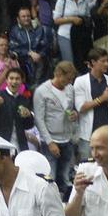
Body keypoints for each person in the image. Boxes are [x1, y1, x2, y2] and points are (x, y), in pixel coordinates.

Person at [33, 61, 78, 196]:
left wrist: (74, 114)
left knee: (65, 175)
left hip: (67, 138)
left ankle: (65, 203)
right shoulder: (42, 91)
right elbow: (39, 119)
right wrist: (49, 142)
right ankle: (48, 200)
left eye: (71, 79)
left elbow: (71, 109)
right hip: (51, 139)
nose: (69, 82)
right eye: (67, 78)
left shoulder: (70, 89)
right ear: (58, 73)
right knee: (50, 174)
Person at [74, 48, 108, 161]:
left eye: (107, 61)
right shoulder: (81, 81)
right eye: (103, 61)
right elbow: (81, 107)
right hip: (88, 135)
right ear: (93, 62)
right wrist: (102, 98)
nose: (107, 64)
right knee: (87, 169)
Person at [0, 67, 34, 152]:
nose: (14, 81)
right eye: (11, 78)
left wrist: (28, 115)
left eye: (17, 79)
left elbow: (28, 125)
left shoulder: (24, 100)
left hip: (20, 145)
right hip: (0, 144)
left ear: (21, 81)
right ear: (6, 80)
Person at [9, 6, 48, 87]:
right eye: (23, 16)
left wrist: (39, 54)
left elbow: (45, 45)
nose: (26, 18)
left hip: (39, 59)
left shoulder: (38, 28)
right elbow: (13, 49)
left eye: (28, 16)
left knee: (42, 62)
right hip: (23, 61)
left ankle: (38, 86)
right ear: (18, 19)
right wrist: (29, 53)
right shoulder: (14, 31)